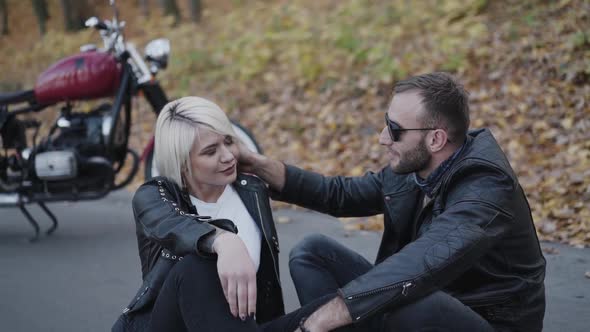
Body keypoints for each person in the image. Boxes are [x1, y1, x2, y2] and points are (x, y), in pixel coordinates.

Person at [238, 72, 546, 331]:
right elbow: (340, 195)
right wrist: (259, 166)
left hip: (488, 322)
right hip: (429, 297)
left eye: (395, 129)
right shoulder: (416, 166)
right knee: (312, 252)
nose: (384, 138)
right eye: (387, 123)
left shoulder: (486, 187)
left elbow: (422, 263)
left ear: (436, 139)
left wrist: (322, 319)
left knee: (412, 298)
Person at [112, 97, 330, 332]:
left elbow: (332, 194)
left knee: (337, 309)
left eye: (228, 141)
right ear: (183, 162)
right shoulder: (155, 195)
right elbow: (170, 224)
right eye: (210, 151)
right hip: (175, 325)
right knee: (199, 265)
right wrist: (222, 241)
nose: (228, 156)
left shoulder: (251, 191)